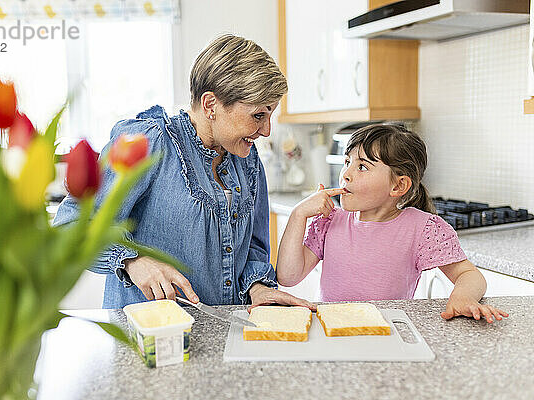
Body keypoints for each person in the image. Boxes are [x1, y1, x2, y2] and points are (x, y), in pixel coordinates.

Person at [54, 34, 314, 310]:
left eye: (270, 114)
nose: (267, 130)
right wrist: (132, 261)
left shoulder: (247, 159)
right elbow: (69, 227)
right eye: (258, 115)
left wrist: (257, 287)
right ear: (211, 105)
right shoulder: (147, 143)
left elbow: (253, 248)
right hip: (148, 340)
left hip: (223, 335)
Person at [276, 123, 508, 323]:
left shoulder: (423, 229)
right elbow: (288, 276)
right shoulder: (329, 221)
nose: (345, 173)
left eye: (362, 166)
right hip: (331, 332)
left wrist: (463, 297)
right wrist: (298, 215)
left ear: (398, 186)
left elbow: (469, 274)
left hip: (387, 334)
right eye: (347, 161)